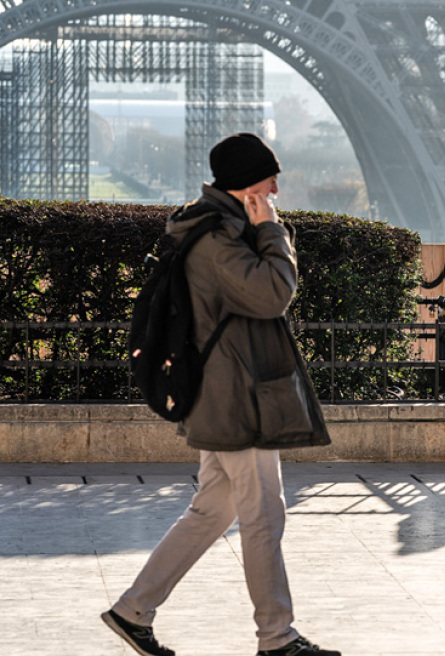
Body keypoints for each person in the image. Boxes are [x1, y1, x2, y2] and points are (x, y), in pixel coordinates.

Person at [101, 133, 340, 656]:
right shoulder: (215, 240)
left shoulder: (225, 228)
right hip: (237, 397)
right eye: (270, 178)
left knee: (212, 510)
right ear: (248, 184)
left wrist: (262, 229)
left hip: (231, 389)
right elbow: (272, 294)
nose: (278, 186)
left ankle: (133, 610)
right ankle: (277, 639)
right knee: (264, 516)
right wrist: (272, 230)